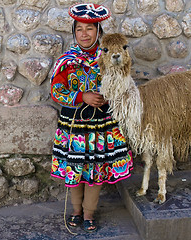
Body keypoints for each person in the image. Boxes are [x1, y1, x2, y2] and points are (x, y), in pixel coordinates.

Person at [50, 3, 133, 233]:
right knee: (75, 168)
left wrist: (107, 96)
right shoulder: (67, 61)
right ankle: (75, 210)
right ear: (74, 32)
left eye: (89, 29)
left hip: (100, 125)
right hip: (74, 124)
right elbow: (56, 90)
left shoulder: (108, 58)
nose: (84, 34)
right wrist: (81, 96)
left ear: (98, 31)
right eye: (79, 29)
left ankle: (89, 213)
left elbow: (121, 84)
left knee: (95, 170)